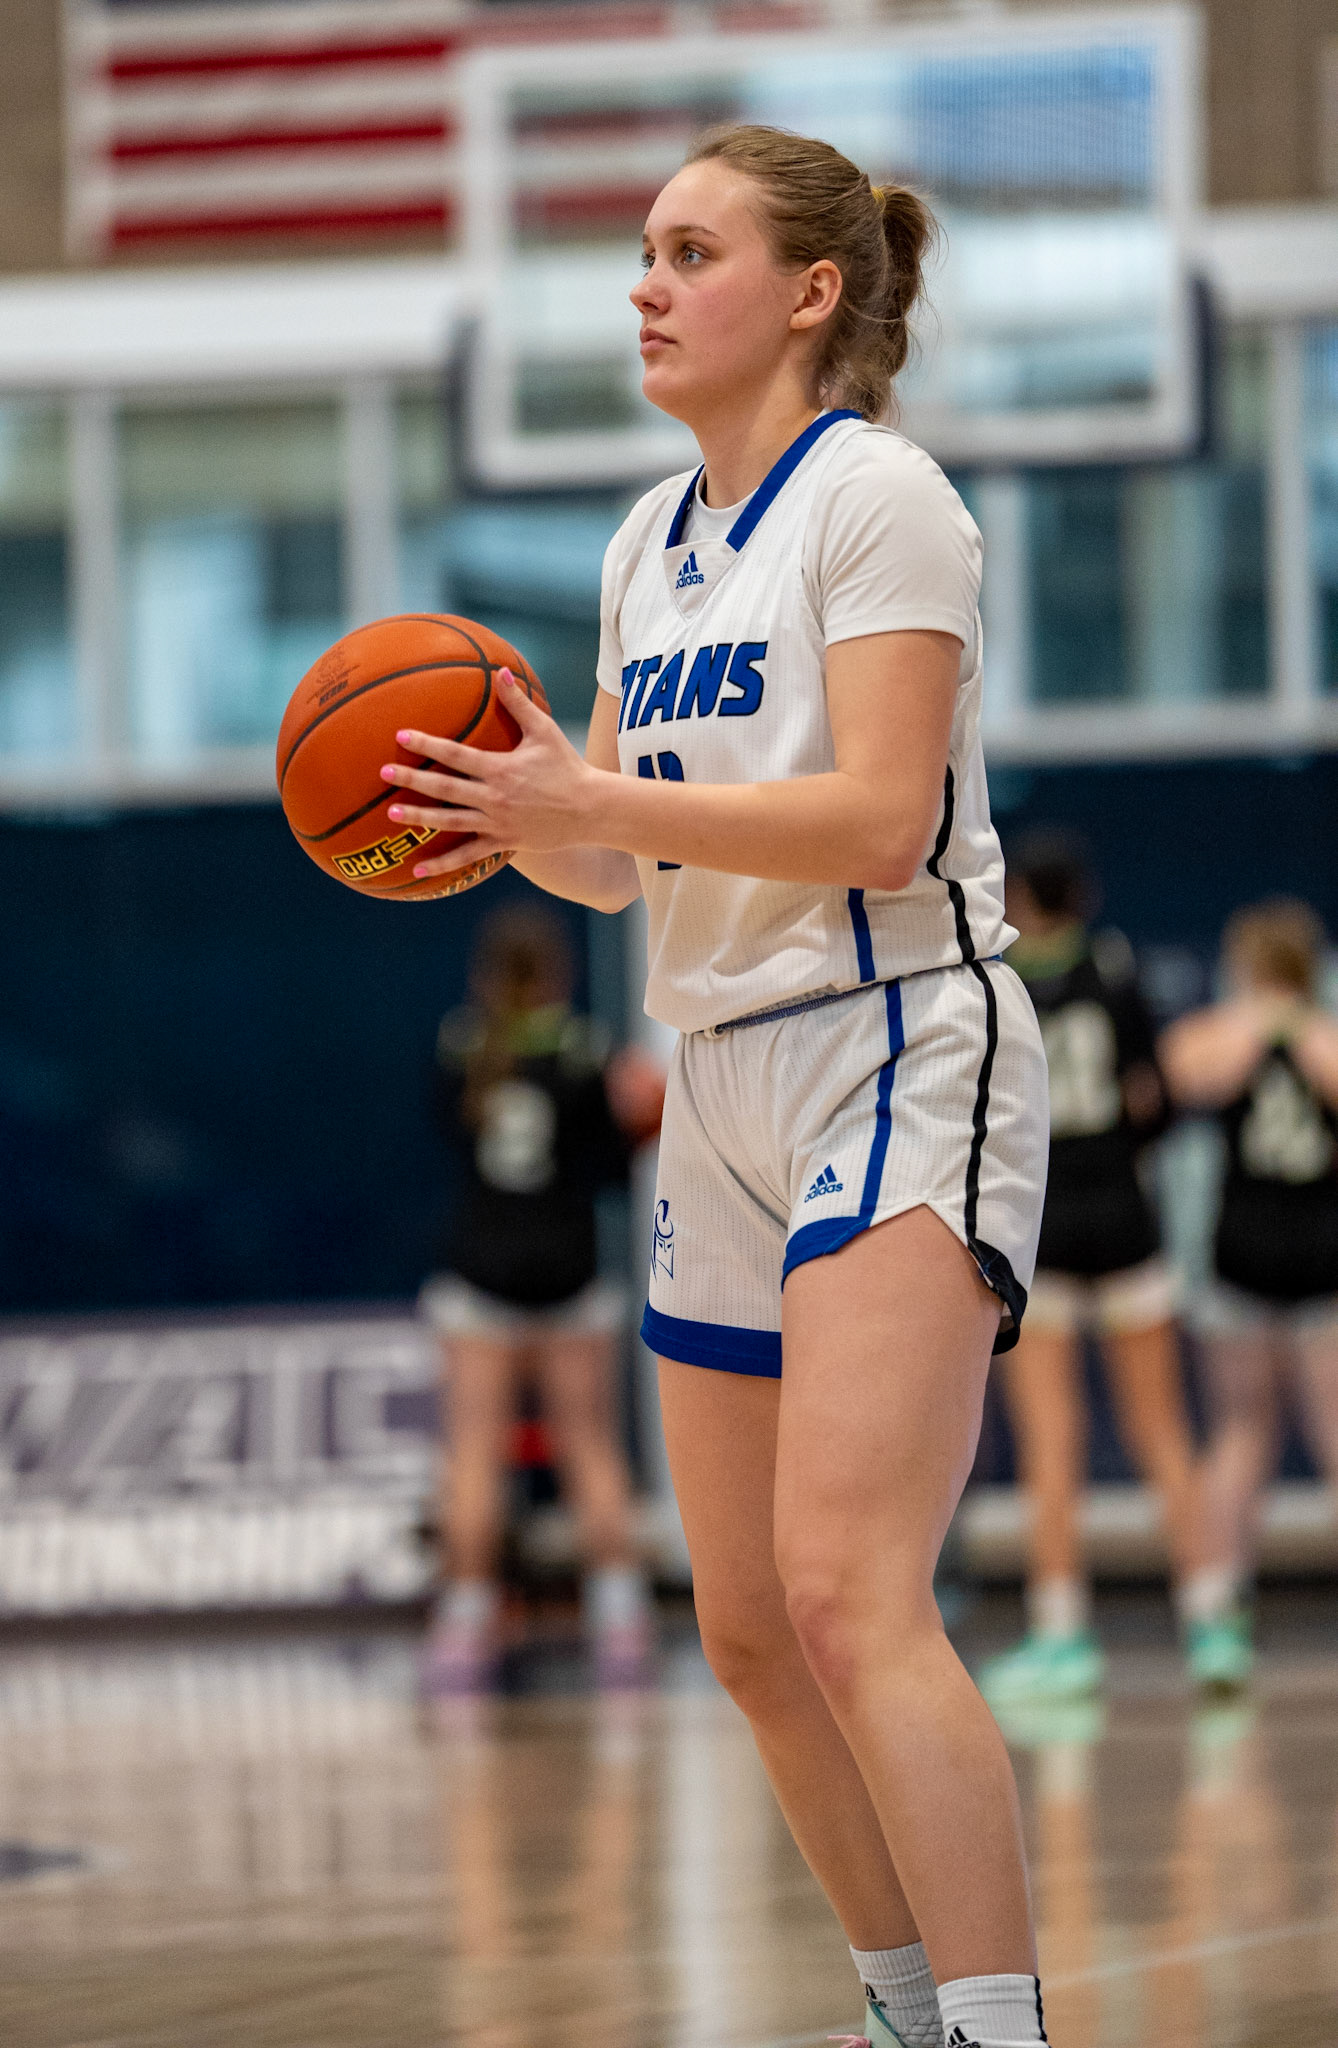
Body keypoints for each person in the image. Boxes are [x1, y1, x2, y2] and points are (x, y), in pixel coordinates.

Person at [382, 126, 1052, 2048]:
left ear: (810, 290)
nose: (644, 286)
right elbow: (617, 861)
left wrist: (591, 796)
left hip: (895, 1036)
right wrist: (503, 814)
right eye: (644, 251)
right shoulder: (640, 544)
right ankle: (904, 2014)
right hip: (717, 1077)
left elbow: (880, 817)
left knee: (850, 1591)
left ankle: (1000, 2033)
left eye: (690, 251)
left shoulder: (881, 499)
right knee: (749, 1626)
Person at [978, 833, 1217, 1706]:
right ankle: (1212, 1625)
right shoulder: (1117, 975)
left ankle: (1061, 1636)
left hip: (1040, 1226)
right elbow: (1155, 1099)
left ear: (1022, 897)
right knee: (1162, 1430)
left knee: (1052, 1439)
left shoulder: (1000, 984)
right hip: (1125, 1220)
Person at [421, 902, 662, 1694]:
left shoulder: (462, 1049)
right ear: (560, 972)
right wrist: (643, 1120)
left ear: (485, 975)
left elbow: (446, 1140)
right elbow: (608, 1169)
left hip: (481, 1277)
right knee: (589, 1446)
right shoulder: (587, 1054)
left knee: (471, 1454)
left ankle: (464, 1623)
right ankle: (620, 1619)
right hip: (568, 1275)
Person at [1160, 898, 1338, 1688]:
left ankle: (1218, 1604)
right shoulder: (1229, 1033)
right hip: (1244, 1266)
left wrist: (1293, 1025)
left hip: (1323, 1268)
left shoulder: (1320, 1036)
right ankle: (1216, 1610)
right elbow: (1184, 1071)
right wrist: (1261, 1024)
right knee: (1240, 1435)